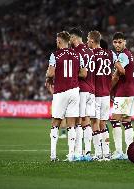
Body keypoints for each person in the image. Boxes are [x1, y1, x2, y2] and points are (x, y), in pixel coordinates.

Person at [45, 31, 87, 162]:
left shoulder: (55, 55)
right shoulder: (77, 54)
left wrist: (50, 76)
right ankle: (71, 155)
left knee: (55, 122)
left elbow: (51, 74)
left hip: (61, 91)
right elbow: (84, 73)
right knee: (71, 124)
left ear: (59, 41)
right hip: (74, 91)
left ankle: (53, 155)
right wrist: (73, 75)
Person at [87, 31, 124, 160]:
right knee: (103, 123)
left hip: (95, 93)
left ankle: (98, 153)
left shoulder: (91, 54)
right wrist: (110, 84)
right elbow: (120, 70)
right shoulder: (110, 54)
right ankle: (107, 153)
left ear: (92, 40)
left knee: (94, 122)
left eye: (88, 40)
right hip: (106, 94)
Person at [69, 27, 96, 160]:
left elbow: (82, 72)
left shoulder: (76, 52)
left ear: (73, 38)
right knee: (86, 121)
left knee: (78, 121)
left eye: (70, 38)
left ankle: (78, 153)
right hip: (91, 89)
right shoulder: (90, 51)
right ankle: (87, 152)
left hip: (82, 89)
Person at [110, 32, 134, 160]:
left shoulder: (123, 55)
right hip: (130, 91)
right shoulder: (129, 55)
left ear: (125, 42)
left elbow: (118, 73)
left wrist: (108, 89)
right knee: (126, 121)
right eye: (115, 42)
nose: (117, 44)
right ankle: (129, 152)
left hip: (124, 91)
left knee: (114, 120)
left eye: (120, 42)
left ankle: (119, 151)